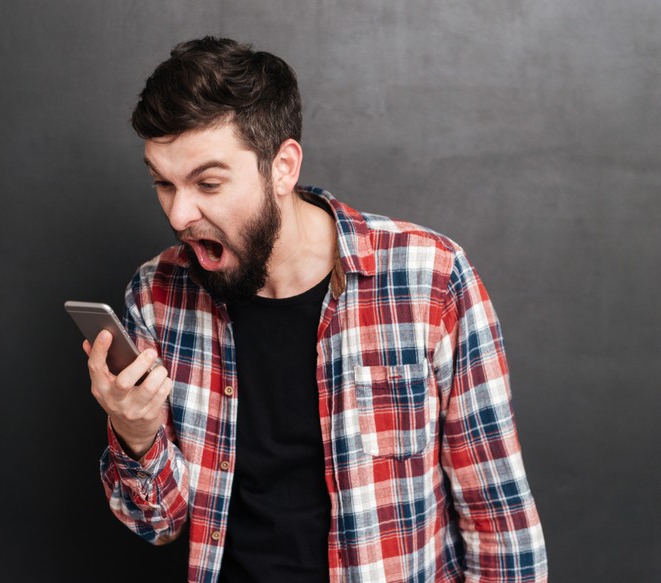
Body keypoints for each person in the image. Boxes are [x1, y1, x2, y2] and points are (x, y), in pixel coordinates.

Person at [82, 36, 548, 582]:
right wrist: (134, 431)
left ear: (282, 167)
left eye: (207, 183)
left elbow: (499, 518)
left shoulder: (430, 279)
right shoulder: (157, 296)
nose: (181, 214)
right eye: (163, 182)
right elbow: (157, 523)